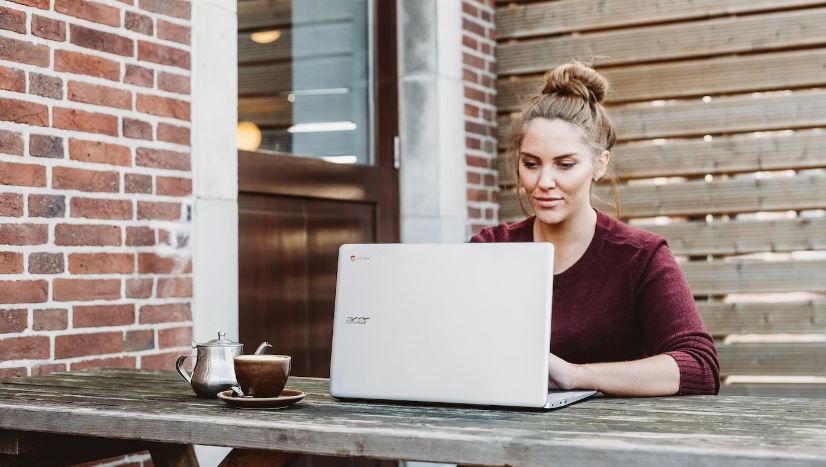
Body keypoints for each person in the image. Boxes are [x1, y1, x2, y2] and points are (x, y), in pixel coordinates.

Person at [471, 62, 719, 396]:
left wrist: (575, 376)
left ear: (599, 164)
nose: (544, 182)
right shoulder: (490, 248)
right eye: (531, 164)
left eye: (565, 164)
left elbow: (700, 367)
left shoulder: (640, 256)